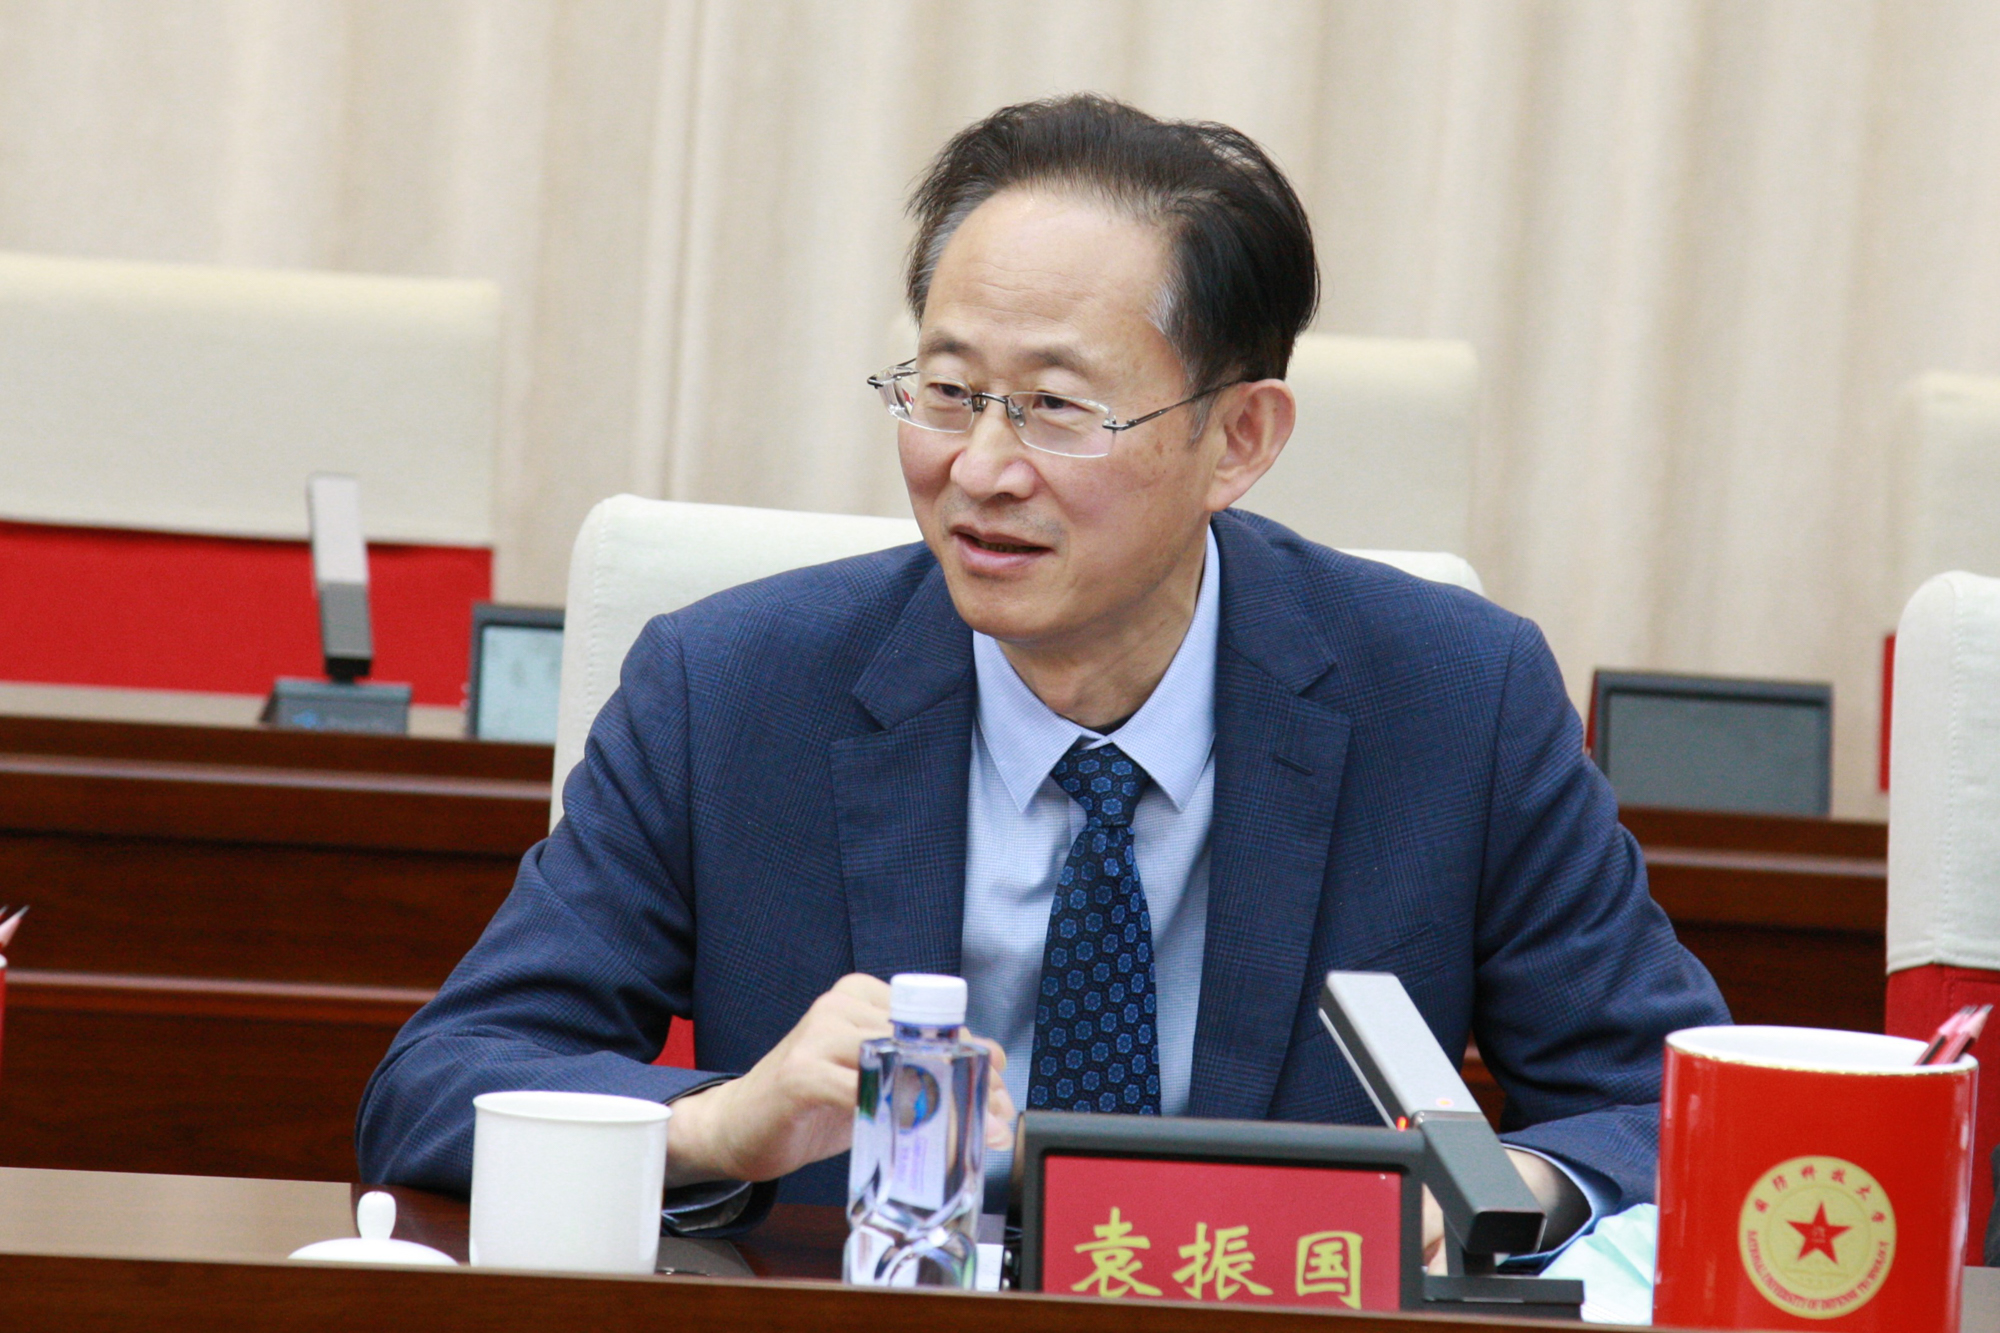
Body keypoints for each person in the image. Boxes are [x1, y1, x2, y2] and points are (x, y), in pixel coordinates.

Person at [357, 94, 1729, 1249]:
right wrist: (726, 1121)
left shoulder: (1455, 701)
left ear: (1240, 440)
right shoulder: (727, 693)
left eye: (1058, 408)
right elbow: (438, 1083)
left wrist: (1492, 1190)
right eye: (948, 391)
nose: (980, 468)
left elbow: (1675, 1117)